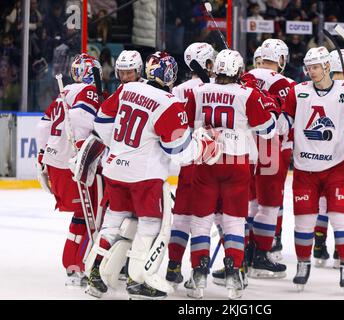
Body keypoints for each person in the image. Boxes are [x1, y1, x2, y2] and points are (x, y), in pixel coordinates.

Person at [86, 53, 217, 300]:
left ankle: (95, 274)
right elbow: (179, 152)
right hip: (144, 177)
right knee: (151, 226)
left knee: (113, 222)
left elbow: (102, 121)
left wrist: (119, 147)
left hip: (114, 168)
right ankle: (137, 280)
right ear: (169, 76)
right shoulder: (168, 102)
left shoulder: (128, 89)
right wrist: (203, 146)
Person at [184, 49, 278, 299]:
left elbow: (188, 124)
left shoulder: (199, 91)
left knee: (201, 219)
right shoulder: (247, 94)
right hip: (237, 164)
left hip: (206, 161)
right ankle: (234, 274)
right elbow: (269, 130)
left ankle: (198, 273)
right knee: (234, 220)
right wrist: (261, 97)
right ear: (238, 71)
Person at [283, 46, 344, 293]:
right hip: (305, 168)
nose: (311, 72)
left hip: (338, 166)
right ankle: (303, 264)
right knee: (303, 222)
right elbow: (284, 120)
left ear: (327, 66)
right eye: (308, 67)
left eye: (316, 67)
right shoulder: (298, 91)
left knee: (341, 219)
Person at [35, 53, 102, 286]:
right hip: (73, 162)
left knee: (82, 214)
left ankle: (71, 263)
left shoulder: (64, 93)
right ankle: (82, 266)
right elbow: (81, 121)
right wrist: (86, 151)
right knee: (94, 214)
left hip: (56, 163)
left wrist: (43, 156)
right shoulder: (88, 92)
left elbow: (42, 127)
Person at [165, 42, 217, 287]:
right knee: (219, 219)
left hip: (187, 161)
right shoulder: (217, 87)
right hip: (215, 162)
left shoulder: (177, 89)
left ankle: (173, 266)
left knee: (182, 216)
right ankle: (214, 268)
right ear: (206, 63)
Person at [245, 38, 294, 278]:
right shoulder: (284, 83)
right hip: (272, 148)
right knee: (269, 203)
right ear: (282, 59)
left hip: (243, 148)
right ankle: (261, 255)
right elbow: (285, 123)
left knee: (251, 202)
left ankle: (245, 251)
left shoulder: (244, 76)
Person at [313, 49, 344, 268]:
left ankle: (319, 245)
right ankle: (341, 249)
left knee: (323, 202)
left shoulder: (320, 89)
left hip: (319, 156)